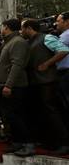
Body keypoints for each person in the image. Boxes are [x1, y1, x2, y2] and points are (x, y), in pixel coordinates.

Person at [20, 18, 69, 154]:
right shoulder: (27, 42)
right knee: (42, 111)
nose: (21, 31)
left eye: (22, 28)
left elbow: (63, 50)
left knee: (51, 111)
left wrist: (47, 64)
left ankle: (64, 142)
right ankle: (50, 141)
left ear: (29, 28)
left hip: (47, 81)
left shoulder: (46, 38)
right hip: (35, 82)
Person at [0, 18, 33, 156]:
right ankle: (17, 142)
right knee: (10, 115)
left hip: (15, 86)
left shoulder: (18, 42)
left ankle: (28, 144)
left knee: (18, 115)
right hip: (7, 85)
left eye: (2, 27)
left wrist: (8, 85)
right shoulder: (9, 42)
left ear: (6, 27)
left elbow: (16, 65)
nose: (1, 29)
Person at [55, 12, 69, 111]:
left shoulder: (66, 35)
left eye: (58, 21)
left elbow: (59, 52)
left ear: (67, 22)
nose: (56, 24)